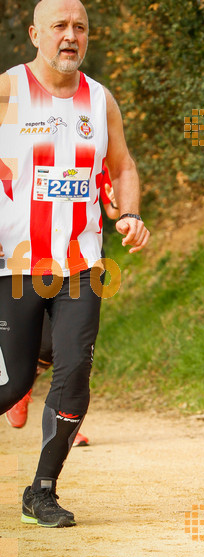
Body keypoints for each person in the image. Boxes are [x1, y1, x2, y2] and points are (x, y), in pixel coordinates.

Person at [0, 0, 149, 527]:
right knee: (13, 382)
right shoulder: (9, 88)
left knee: (75, 370)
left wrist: (128, 213)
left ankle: (42, 490)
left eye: (80, 27)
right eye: (59, 26)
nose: (70, 36)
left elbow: (123, 164)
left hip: (81, 264)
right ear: (35, 35)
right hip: (14, 265)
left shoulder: (99, 99)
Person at [4, 162, 119, 441]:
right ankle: (19, 384)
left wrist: (118, 202)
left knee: (71, 349)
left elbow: (114, 208)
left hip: (80, 261)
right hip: (26, 258)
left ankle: (62, 420)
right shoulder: (22, 135)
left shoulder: (94, 149)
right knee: (40, 342)